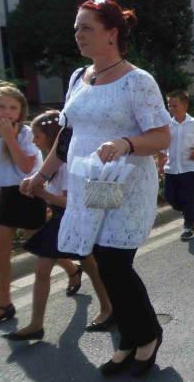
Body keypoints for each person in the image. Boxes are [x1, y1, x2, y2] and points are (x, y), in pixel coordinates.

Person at [21, 0, 170, 376]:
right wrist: (41, 174)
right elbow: (67, 136)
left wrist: (126, 143)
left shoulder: (138, 81)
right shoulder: (78, 78)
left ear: (112, 33)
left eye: (86, 28)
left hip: (126, 186)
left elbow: (162, 136)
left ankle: (147, 335)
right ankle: (131, 338)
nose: (78, 35)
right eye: (76, 28)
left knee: (115, 263)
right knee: (105, 265)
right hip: (91, 186)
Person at [7, 111, 114, 341]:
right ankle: (38, 323)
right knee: (82, 265)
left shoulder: (66, 164)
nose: (34, 141)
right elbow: (44, 179)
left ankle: (107, 308)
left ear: (52, 136)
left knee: (82, 264)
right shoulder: (52, 162)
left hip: (69, 217)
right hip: (61, 217)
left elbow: (70, 202)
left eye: (37, 136)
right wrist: (33, 182)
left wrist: (41, 192)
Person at [0, 84, 45, 330]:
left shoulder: (26, 133)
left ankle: (73, 270)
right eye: (1, 106)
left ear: (21, 111)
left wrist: (10, 138)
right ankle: (4, 304)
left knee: (41, 248)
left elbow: (28, 168)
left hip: (28, 193)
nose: (6, 111)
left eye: (13, 107)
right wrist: (2, 137)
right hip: (6, 195)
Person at [157, 90, 194, 241]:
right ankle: (189, 213)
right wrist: (160, 166)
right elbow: (162, 147)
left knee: (187, 196)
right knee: (170, 197)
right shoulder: (167, 126)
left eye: (175, 105)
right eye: (169, 105)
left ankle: (189, 225)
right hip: (172, 168)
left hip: (190, 167)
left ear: (185, 106)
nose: (171, 108)